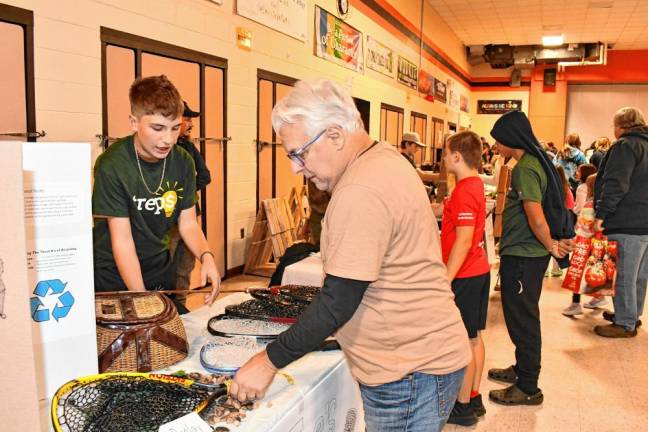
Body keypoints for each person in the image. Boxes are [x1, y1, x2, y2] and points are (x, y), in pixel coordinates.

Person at [231, 79, 471, 431]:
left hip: (409, 372)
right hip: (423, 362)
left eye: (299, 153)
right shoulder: (383, 157)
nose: (297, 168)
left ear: (334, 135)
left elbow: (337, 302)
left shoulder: (360, 189)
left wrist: (267, 361)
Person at [92, 75, 220, 306]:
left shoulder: (182, 161)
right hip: (114, 272)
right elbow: (122, 240)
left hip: (158, 266)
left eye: (174, 128)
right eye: (158, 128)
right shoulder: (112, 164)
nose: (167, 139)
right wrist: (142, 298)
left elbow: (188, 223)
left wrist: (206, 256)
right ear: (134, 122)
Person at [487, 110, 574, 406]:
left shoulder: (525, 167)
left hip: (525, 256)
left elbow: (535, 217)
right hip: (525, 254)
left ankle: (528, 386)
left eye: (498, 140)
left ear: (511, 138)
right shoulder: (534, 162)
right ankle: (521, 368)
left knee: (522, 319)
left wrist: (551, 245)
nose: (496, 146)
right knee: (520, 316)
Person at [438, 131, 490, 426]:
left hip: (466, 274)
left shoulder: (464, 191)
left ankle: (463, 407)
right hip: (477, 270)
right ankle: (472, 395)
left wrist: (446, 279)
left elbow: (464, 240)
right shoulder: (473, 185)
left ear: (457, 156)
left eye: (446, 153)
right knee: (473, 338)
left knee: (463, 341)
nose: (444, 159)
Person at [593, 107, 648, 338]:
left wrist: (601, 214)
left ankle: (624, 323)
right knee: (639, 275)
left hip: (627, 221)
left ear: (622, 126)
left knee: (624, 274)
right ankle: (631, 315)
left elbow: (616, 183)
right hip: (644, 223)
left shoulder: (625, 146)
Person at [168, 101, 212, 307]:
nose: (190, 123)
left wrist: (183, 191)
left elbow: (204, 176)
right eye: (186, 118)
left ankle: (181, 306)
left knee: (184, 267)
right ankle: (166, 308)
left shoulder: (189, 148)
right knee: (165, 267)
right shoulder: (164, 149)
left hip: (189, 215)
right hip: (166, 220)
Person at [545, 165, 574, 278]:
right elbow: (571, 206)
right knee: (560, 246)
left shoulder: (548, 188)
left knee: (549, 245)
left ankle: (546, 270)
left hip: (551, 222)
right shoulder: (567, 190)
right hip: (564, 223)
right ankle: (557, 269)